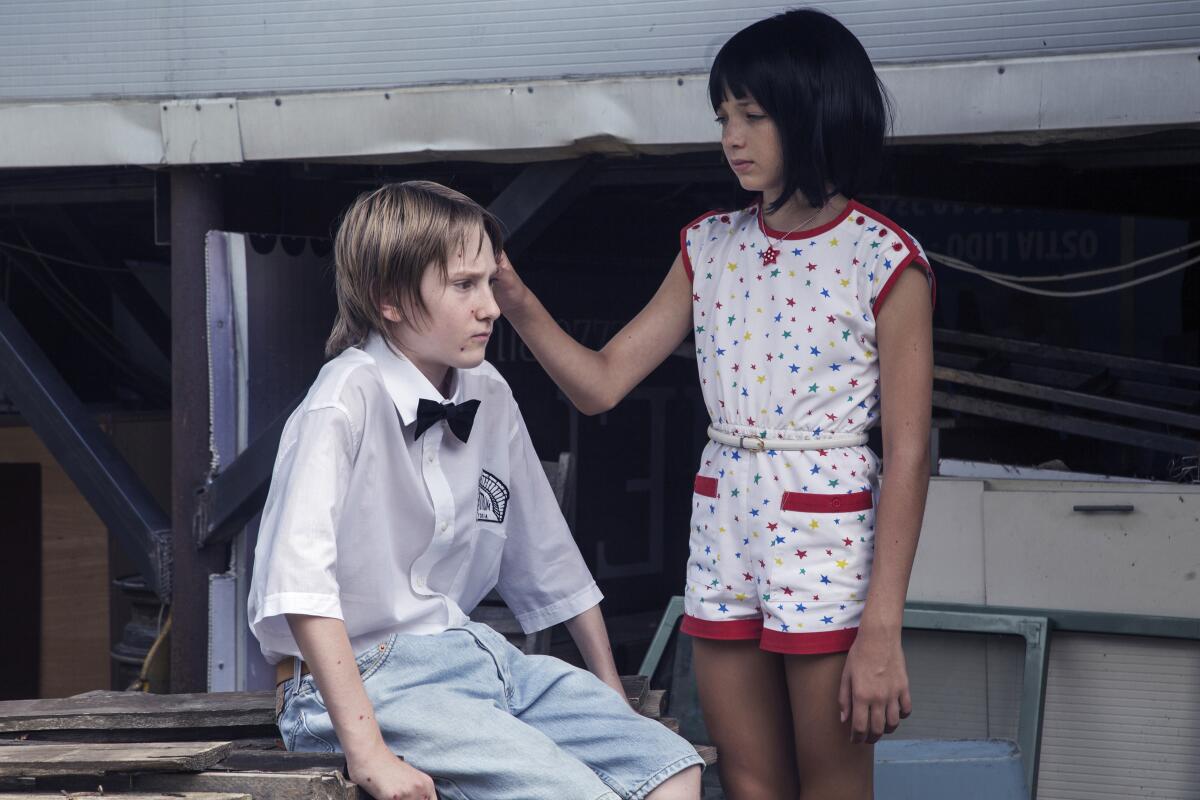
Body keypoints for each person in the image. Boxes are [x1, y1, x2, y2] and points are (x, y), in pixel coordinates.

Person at [493, 10, 934, 799]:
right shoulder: (707, 244)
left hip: (829, 537)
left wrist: (882, 627)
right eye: (724, 116)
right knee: (750, 784)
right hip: (723, 526)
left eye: (753, 116)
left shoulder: (885, 257)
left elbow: (906, 452)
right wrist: (517, 299)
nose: (732, 135)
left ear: (816, 114)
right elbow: (599, 385)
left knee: (832, 787)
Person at [247, 181, 703, 800]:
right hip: (362, 681)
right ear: (389, 298)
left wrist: (614, 699)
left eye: (490, 282)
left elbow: (548, 554)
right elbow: (300, 588)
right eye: (465, 286)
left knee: (671, 766)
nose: (490, 307)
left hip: (476, 657)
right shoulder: (343, 400)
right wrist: (369, 754)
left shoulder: (486, 391)